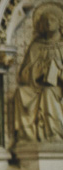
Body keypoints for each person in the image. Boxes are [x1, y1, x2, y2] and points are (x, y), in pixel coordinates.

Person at [13, 2, 63, 142]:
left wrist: (58, 72)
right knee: (21, 93)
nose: (48, 23)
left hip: (58, 89)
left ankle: (54, 133)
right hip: (37, 87)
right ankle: (27, 137)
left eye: (52, 20)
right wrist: (39, 70)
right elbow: (23, 75)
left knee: (48, 92)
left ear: (59, 23)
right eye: (44, 20)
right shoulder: (36, 46)